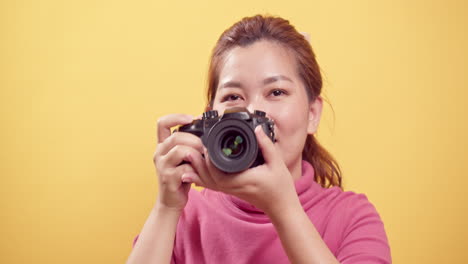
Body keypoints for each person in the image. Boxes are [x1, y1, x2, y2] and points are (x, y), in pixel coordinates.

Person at [126, 14, 391, 264]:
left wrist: (283, 209)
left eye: (276, 92)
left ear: (312, 113)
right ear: (210, 118)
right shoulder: (184, 213)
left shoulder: (351, 217)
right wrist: (166, 207)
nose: (252, 113)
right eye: (232, 97)